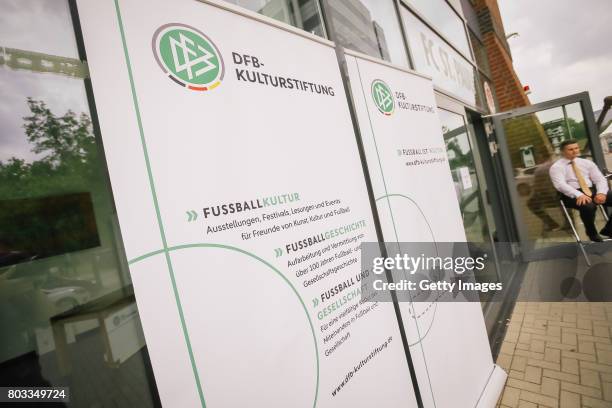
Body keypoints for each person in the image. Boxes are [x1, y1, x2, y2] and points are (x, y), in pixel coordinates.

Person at [549, 139, 612, 241]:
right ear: (562, 151)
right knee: (588, 206)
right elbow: (560, 185)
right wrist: (579, 194)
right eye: (571, 149)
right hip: (571, 194)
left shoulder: (586, 163)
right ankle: (591, 233)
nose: (575, 151)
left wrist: (601, 193)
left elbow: (599, 179)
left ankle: (609, 230)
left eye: (576, 148)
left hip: (591, 190)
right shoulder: (556, 167)